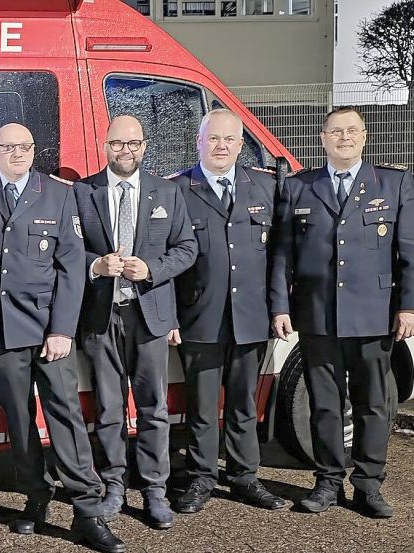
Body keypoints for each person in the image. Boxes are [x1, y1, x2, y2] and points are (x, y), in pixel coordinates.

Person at [0, 123, 124, 553]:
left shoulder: (58, 194)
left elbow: (71, 267)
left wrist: (61, 329)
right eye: (8, 147)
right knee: (18, 420)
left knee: (65, 417)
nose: (18, 154)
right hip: (0, 328)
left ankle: (87, 512)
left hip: (47, 330)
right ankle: (36, 493)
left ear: (34, 150)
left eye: (25, 147)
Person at [270, 107, 414, 518]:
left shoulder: (395, 182)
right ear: (322, 137)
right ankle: (328, 482)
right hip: (317, 315)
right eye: (336, 131)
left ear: (365, 137)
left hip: (375, 314)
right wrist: (281, 305)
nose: (344, 137)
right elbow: (282, 255)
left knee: (372, 404)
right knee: (325, 404)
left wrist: (409, 306)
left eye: (352, 131)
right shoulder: (300, 186)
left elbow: (410, 253)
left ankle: (368, 485)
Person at [75, 115, 196, 530]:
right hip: (101, 317)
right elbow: (69, 252)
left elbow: (187, 248)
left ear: (144, 147)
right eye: (116, 143)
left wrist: (152, 270)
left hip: (150, 315)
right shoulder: (83, 192)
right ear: (104, 146)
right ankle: (113, 486)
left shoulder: (167, 191)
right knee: (108, 408)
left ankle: (155, 491)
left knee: (153, 408)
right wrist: (96, 264)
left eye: (133, 143)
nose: (125, 150)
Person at [168, 109, 289, 513]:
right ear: (198, 142)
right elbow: (167, 258)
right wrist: (169, 317)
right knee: (202, 405)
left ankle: (244, 476)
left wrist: (279, 308)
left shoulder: (264, 188)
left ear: (241, 144)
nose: (221, 146)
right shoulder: (177, 190)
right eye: (213, 139)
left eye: (229, 139)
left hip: (251, 315)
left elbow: (278, 257)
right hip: (200, 314)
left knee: (243, 402)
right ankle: (202, 476)